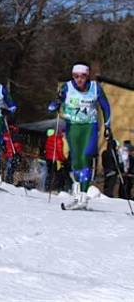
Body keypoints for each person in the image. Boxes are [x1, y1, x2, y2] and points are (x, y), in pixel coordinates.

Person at [48, 62, 111, 209]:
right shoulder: (67, 87)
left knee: (85, 157)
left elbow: (106, 108)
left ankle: (83, 196)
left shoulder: (95, 88)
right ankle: (77, 194)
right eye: (76, 76)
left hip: (90, 127)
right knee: (76, 161)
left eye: (82, 76)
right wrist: (56, 102)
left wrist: (107, 126)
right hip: (73, 128)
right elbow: (51, 107)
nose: (79, 79)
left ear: (87, 75)